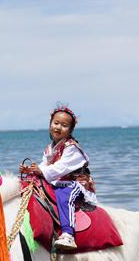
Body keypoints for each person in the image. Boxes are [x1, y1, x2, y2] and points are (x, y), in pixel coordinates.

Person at [21, 104, 97, 251]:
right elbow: (45, 165)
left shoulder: (71, 147)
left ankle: (68, 234)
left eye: (64, 125)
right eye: (56, 123)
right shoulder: (50, 148)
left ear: (70, 130)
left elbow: (61, 168)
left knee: (64, 196)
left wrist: (41, 171)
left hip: (75, 182)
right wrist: (31, 170)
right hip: (57, 180)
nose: (58, 127)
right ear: (50, 125)